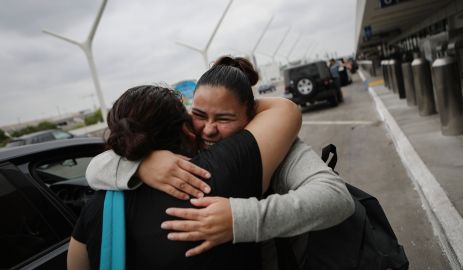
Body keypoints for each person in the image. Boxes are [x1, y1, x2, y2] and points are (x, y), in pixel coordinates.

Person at [86, 56, 355, 269]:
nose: (209, 129)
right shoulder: (179, 150)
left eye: (225, 118)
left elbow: (336, 197)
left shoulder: (280, 146)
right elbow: (95, 167)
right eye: (200, 114)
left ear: (251, 116)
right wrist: (143, 165)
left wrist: (241, 219)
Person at [68, 84, 301, 269]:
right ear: (186, 129)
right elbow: (285, 109)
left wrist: (139, 164)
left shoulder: (96, 209)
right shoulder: (215, 173)